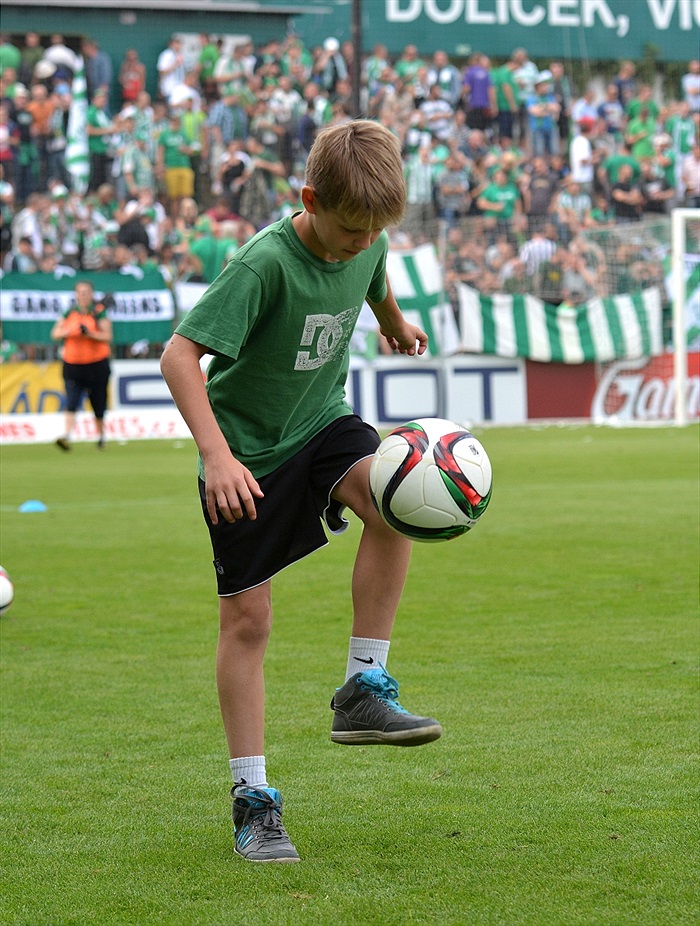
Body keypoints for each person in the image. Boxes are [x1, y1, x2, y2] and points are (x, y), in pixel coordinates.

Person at [159, 119, 439, 865]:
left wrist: (395, 323)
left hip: (321, 422)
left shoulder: (369, 239)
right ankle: (253, 797)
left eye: (375, 229)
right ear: (309, 198)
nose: (362, 242)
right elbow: (179, 355)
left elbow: (372, 276)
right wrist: (215, 456)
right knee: (249, 622)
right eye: (350, 228)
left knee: (394, 496)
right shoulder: (262, 266)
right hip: (246, 455)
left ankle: (362, 685)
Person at [50, 279, 112, 450]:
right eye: (80, 292)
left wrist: (90, 333)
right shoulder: (69, 313)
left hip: (96, 364)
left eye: (86, 292)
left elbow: (107, 335)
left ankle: (101, 436)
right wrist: (70, 331)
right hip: (73, 365)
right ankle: (67, 435)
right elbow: (55, 333)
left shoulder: (98, 313)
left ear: (91, 294)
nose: (83, 295)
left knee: (98, 401)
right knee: (71, 400)